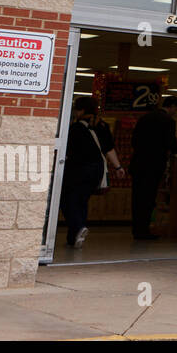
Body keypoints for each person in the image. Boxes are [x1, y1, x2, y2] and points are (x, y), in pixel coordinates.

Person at [60, 96, 112, 248]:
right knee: (82, 201)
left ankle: (78, 227)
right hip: (96, 170)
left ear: (81, 110)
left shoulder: (76, 128)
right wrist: (118, 167)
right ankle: (74, 238)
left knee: (68, 201)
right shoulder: (102, 125)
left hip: (78, 170)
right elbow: (109, 149)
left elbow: (68, 151)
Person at [129, 95, 177, 240]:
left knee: (137, 197)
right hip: (154, 165)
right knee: (148, 198)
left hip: (138, 163)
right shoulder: (168, 121)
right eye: (176, 108)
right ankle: (143, 230)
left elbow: (134, 140)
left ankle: (136, 229)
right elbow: (171, 143)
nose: (175, 112)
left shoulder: (144, 118)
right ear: (171, 106)